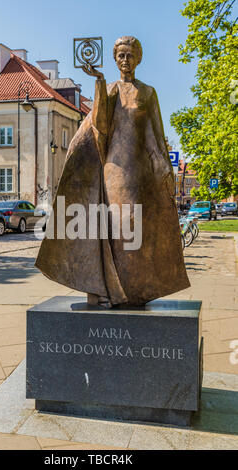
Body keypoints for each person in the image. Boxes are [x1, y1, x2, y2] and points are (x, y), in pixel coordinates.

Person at [36, 36, 190, 308]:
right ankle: (108, 290)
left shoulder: (148, 93)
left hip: (140, 172)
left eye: (130, 55)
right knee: (117, 227)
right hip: (114, 170)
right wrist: (98, 82)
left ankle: (134, 290)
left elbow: (156, 136)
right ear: (114, 59)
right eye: (120, 55)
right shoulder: (109, 91)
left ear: (138, 58)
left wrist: (166, 168)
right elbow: (100, 128)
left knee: (136, 231)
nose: (125, 60)